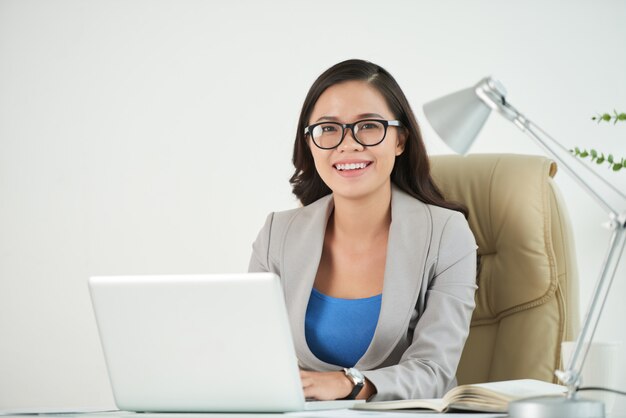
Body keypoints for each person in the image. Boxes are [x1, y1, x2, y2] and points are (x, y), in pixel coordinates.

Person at [248, 59, 477, 402]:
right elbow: (251, 356)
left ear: (400, 139)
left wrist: (350, 383)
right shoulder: (276, 235)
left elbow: (434, 370)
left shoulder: (447, 234)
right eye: (328, 128)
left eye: (368, 126)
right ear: (310, 144)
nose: (348, 144)